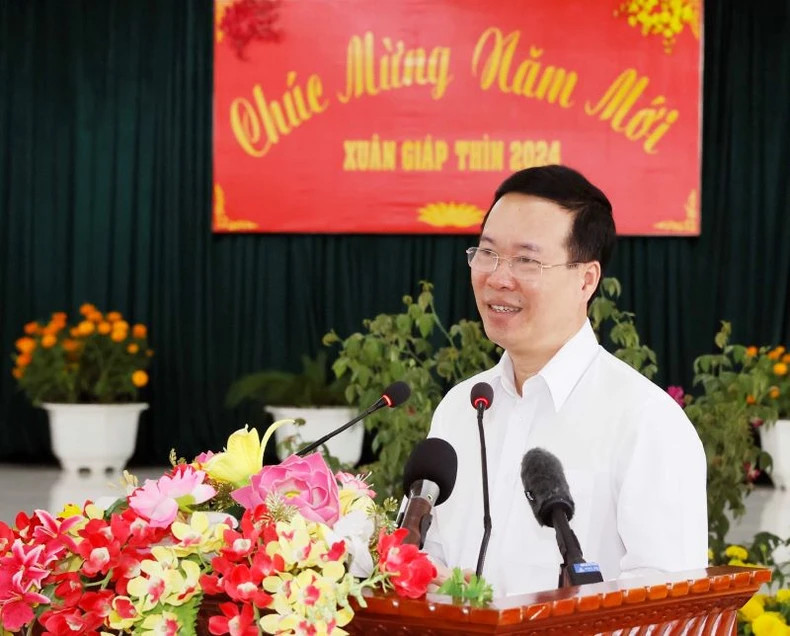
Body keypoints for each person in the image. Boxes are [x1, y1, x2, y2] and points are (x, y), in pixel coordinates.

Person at [423, 165, 708, 597]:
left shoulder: (645, 422)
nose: (499, 277)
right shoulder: (460, 409)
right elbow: (433, 557)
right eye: (487, 253)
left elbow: (666, 608)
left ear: (586, 279)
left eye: (527, 260)